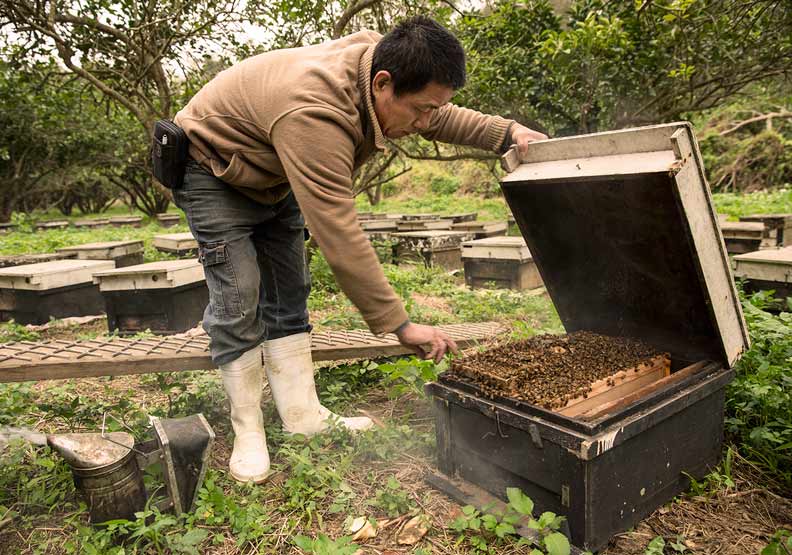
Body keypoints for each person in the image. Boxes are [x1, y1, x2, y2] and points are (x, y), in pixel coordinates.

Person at [172, 15, 547, 483]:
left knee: (290, 290)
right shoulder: (315, 113)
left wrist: (508, 132)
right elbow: (338, 231)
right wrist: (399, 324)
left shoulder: (380, 63)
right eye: (420, 111)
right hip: (212, 170)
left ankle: (302, 415)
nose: (425, 122)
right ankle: (248, 430)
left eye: (432, 109)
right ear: (383, 84)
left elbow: (440, 114)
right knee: (238, 296)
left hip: (273, 170)